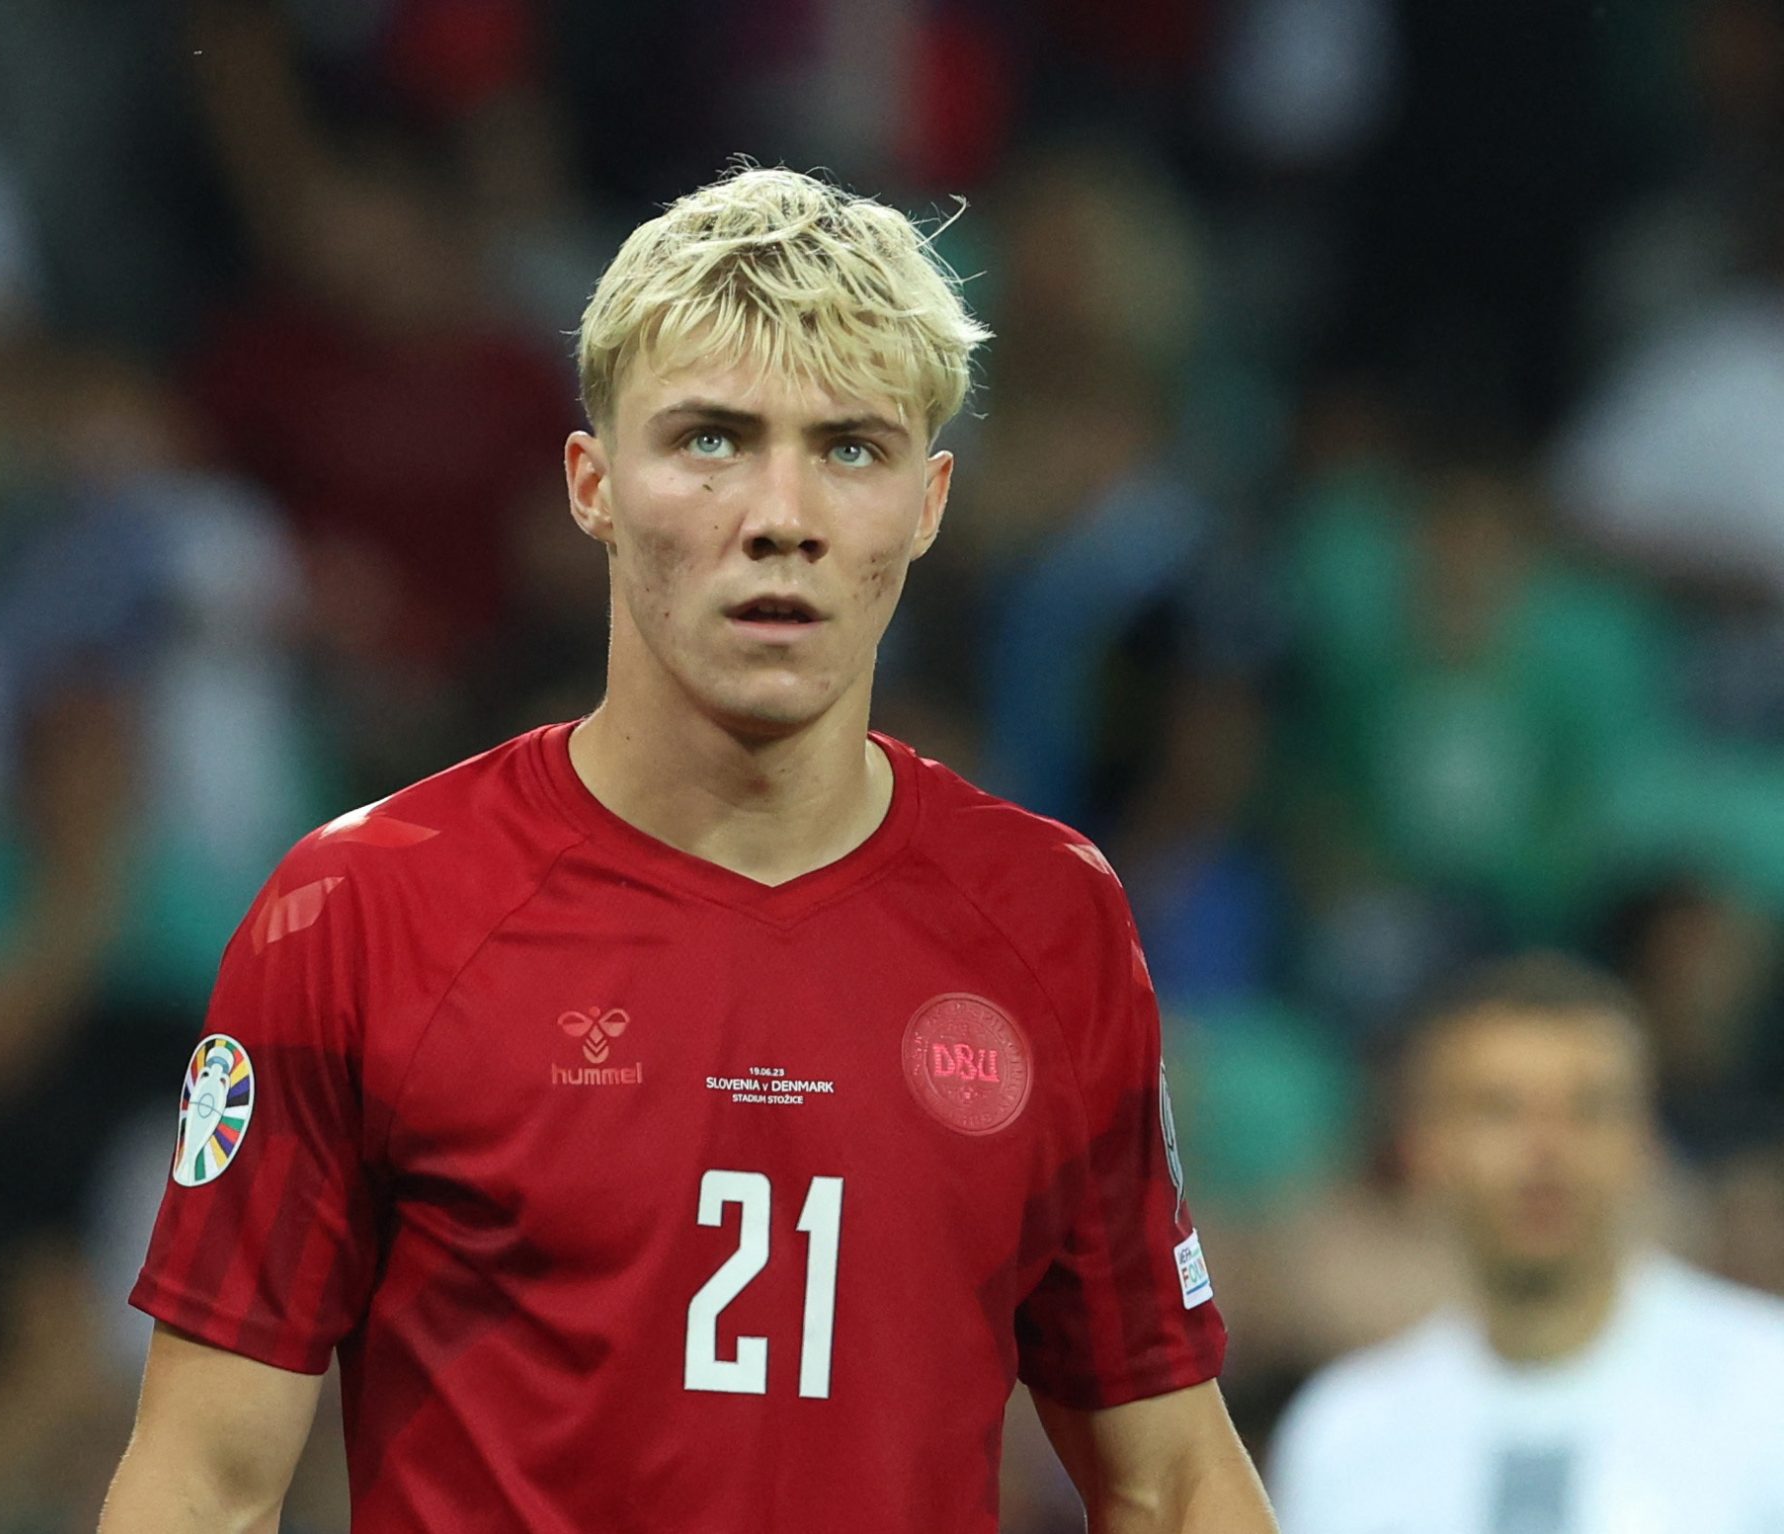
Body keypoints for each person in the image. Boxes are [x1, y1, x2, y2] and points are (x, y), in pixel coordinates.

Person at [98, 166, 1276, 1533]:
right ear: (592, 483)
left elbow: (1173, 1478)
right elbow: (204, 1485)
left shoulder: (1049, 920)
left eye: (851, 448)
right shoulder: (363, 908)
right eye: (712, 439)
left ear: (930, 500)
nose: (781, 515)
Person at [1268, 952, 1784, 1533]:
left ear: (1646, 1140)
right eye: (1501, 1110)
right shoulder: (1344, 1434)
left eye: (1587, 1108)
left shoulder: (1770, 1392)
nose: (1546, 1150)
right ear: (1424, 1146)